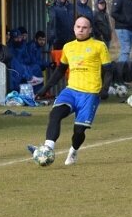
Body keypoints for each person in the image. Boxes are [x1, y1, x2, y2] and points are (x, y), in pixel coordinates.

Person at [28, 15, 113, 166]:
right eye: (78, 27)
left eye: (84, 27)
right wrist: (45, 88)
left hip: (90, 93)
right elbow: (60, 71)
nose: (81, 30)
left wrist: (105, 89)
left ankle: (73, 150)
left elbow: (108, 70)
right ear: (74, 28)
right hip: (71, 91)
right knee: (55, 114)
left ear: (90, 30)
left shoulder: (99, 46)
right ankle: (48, 148)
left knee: (79, 131)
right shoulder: (68, 47)